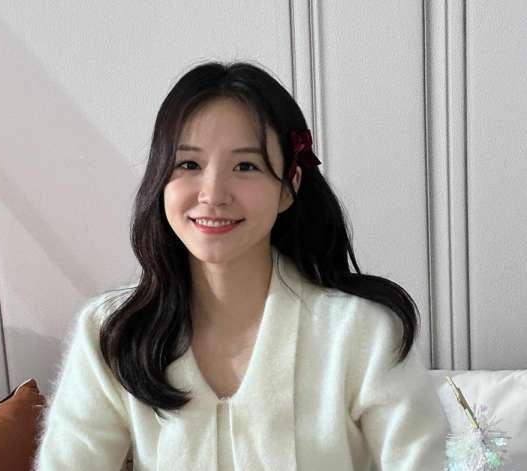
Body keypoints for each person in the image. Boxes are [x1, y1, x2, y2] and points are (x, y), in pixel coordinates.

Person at [34, 61, 449, 470]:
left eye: (245, 166)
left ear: (289, 187)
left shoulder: (362, 333)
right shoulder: (112, 331)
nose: (213, 194)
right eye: (189, 164)